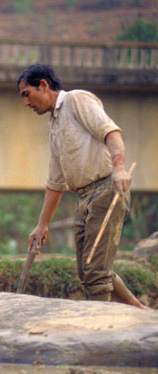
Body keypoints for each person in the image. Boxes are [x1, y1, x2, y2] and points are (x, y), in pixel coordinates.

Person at [16, 63, 148, 309]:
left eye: (27, 94)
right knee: (87, 271)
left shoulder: (77, 100)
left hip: (106, 190)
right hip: (84, 197)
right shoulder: (54, 125)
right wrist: (41, 225)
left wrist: (119, 168)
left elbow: (111, 133)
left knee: (95, 272)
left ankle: (99, 326)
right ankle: (141, 311)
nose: (26, 103)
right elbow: (55, 182)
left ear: (43, 85)